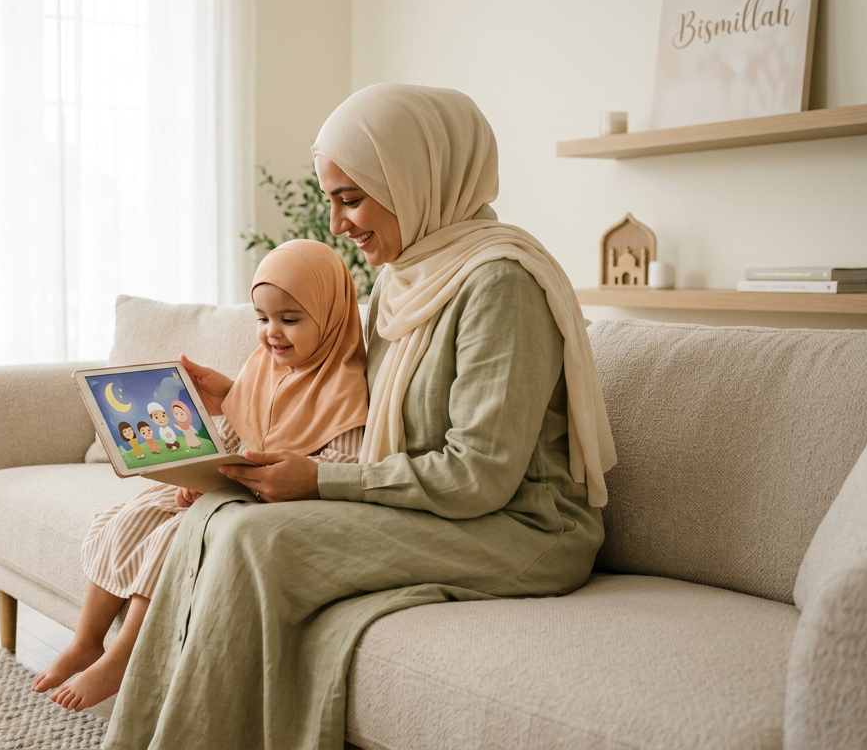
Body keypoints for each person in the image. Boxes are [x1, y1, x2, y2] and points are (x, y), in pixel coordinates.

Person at [102, 84, 619, 750]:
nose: (338, 226)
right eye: (332, 201)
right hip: (438, 507)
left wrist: (319, 482)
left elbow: (480, 477)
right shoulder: (405, 277)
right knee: (216, 515)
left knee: (260, 540)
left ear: (418, 179)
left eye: (351, 199)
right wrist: (238, 397)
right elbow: (351, 405)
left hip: (521, 526)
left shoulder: (500, 285)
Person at [31, 239, 371, 712]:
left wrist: (247, 482)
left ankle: (125, 657)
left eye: (290, 319)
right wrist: (203, 471)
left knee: (174, 540)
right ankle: (87, 640)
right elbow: (236, 434)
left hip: (283, 506)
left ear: (331, 316)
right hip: (232, 489)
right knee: (133, 514)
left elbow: (341, 470)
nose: (273, 333)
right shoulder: (264, 367)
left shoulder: (346, 388)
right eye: (262, 318)